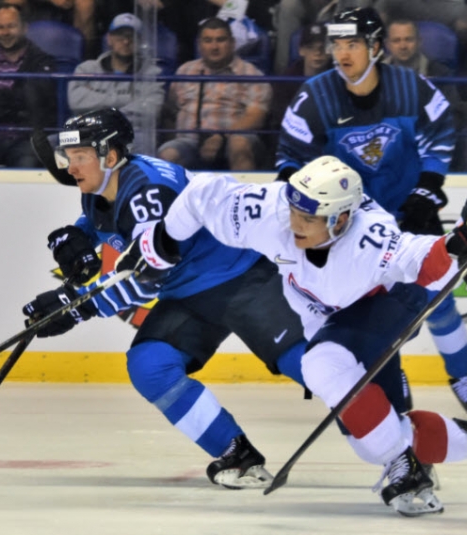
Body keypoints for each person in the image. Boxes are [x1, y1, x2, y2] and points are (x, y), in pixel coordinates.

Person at [115, 154, 467, 516]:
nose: (294, 222)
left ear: (340, 218)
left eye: (308, 217)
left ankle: (404, 466)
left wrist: (466, 240)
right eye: (294, 210)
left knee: (321, 366)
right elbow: (201, 195)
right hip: (337, 319)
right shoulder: (271, 210)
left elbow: (423, 260)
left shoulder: (369, 239)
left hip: (391, 301)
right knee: (373, 435)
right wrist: (161, 242)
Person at [21, 107, 308, 490]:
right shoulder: (103, 183)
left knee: (308, 364)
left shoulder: (150, 190)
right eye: (69, 158)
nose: (71, 168)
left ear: (109, 156)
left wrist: (77, 306)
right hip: (188, 295)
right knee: (149, 365)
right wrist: (78, 237)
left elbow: (146, 278)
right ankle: (236, 455)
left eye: (79, 158)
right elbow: (102, 219)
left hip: (240, 279)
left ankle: (395, 436)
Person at [276, 7, 467, 417]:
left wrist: (428, 189)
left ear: (375, 47)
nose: (342, 53)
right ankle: (393, 371)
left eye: (352, 44)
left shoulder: (412, 88)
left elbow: (440, 132)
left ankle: (462, 377)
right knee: (368, 308)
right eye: (336, 44)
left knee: (439, 299)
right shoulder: (315, 97)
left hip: (410, 215)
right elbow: (290, 158)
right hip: (349, 229)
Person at [157, 17, 271, 171]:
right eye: (208, 40)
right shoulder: (184, 71)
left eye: (220, 40)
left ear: (232, 43)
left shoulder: (251, 73)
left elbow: (256, 116)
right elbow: (171, 113)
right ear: (199, 44)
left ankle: (245, 194)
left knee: (239, 144)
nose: (214, 46)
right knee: (167, 154)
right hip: (189, 142)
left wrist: (222, 136)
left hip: (233, 140)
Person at [68, 13, 165, 151]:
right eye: (120, 36)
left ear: (140, 41)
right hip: (90, 131)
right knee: (51, 143)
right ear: (109, 39)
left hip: (132, 133)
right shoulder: (86, 68)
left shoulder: (152, 73)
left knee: (143, 142)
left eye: (131, 36)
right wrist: (129, 99)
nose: (126, 41)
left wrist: (99, 108)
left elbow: (151, 111)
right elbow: (76, 102)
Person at [0, 3, 56, 168]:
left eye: (11, 26)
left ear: (24, 28)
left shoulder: (43, 63)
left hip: (26, 137)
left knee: (29, 163)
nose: (5, 33)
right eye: (0, 27)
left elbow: (37, 105)